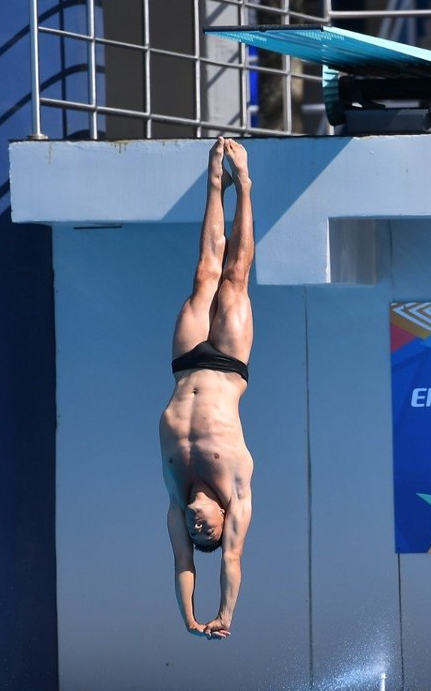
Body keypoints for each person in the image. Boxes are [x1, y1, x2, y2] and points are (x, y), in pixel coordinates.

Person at [160, 136, 255, 638]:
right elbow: (232, 562)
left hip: (184, 366)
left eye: (197, 534)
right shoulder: (235, 492)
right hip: (226, 366)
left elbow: (182, 563)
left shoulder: (178, 502)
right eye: (208, 531)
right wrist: (226, 614)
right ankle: (244, 187)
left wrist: (192, 619)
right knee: (235, 276)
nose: (199, 529)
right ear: (222, 517)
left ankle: (213, 182)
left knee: (203, 274)